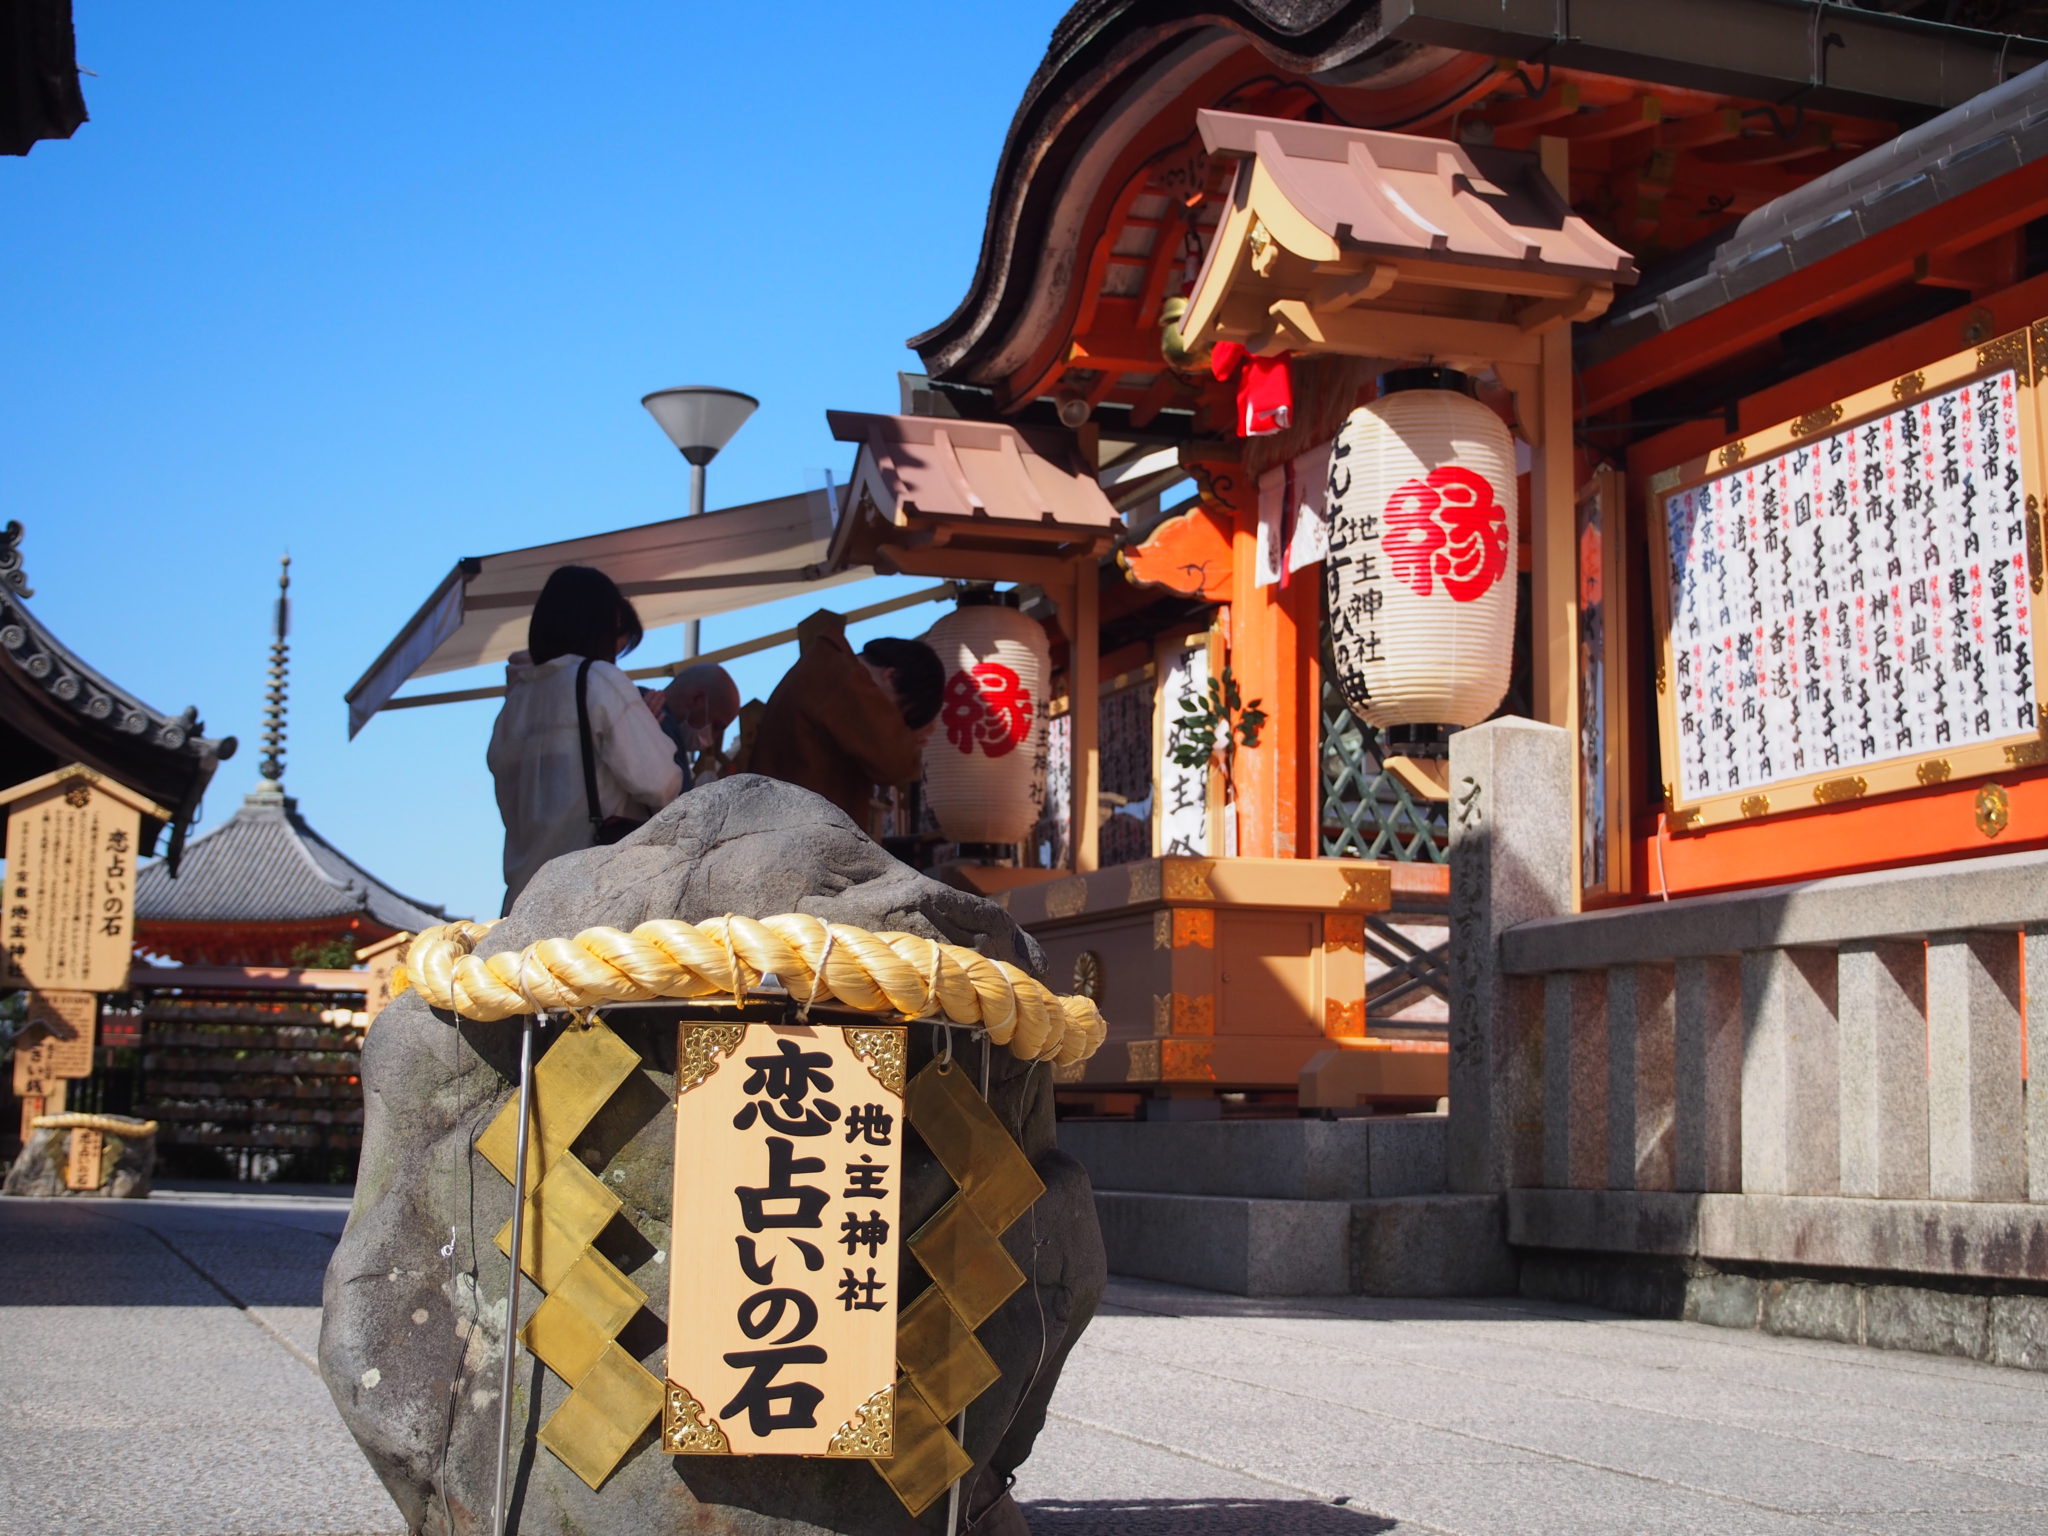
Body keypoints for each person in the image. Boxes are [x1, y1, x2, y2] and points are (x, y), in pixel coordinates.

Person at [488, 565, 683, 910]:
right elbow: (661, 784)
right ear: (599, 625)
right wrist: (646, 727)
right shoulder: (598, 679)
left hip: (520, 904)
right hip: (590, 898)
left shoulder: (513, 705)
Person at [746, 610, 943, 836]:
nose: (895, 722)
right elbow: (895, 761)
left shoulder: (828, 667)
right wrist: (910, 743)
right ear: (890, 676)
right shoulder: (843, 679)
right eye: (899, 714)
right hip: (798, 845)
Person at [661, 662, 742, 784]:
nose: (714, 739)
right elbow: (659, 793)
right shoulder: (639, 721)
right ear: (697, 699)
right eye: (716, 726)